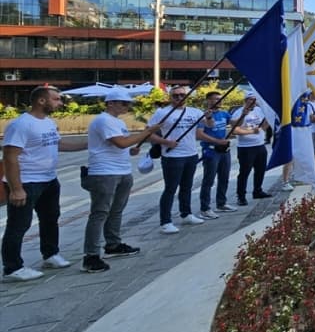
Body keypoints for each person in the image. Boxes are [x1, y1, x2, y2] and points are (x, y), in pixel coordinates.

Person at [2, 86, 86, 281]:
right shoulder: (21, 125)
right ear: (41, 101)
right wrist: (16, 189)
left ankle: (50, 254)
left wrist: (88, 144)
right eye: (56, 99)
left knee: (50, 219)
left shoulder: (48, 122)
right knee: (19, 225)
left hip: (48, 180)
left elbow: (58, 144)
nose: (60, 103)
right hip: (27, 182)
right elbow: (10, 157)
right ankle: (12, 268)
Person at [81, 88, 159, 273]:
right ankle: (91, 255)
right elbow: (121, 142)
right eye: (124, 103)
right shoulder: (103, 120)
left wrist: (130, 149)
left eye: (128, 104)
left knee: (116, 210)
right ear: (111, 103)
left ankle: (113, 244)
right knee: (100, 213)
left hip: (121, 170)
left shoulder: (116, 122)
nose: (127, 107)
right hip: (104, 172)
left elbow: (121, 145)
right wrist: (147, 132)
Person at [147, 85, 209, 233]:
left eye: (182, 95)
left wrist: (209, 116)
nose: (180, 98)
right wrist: (166, 142)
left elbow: (208, 125)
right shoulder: (162, 113)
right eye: (176, 96)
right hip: (172, 156)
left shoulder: (195, 112)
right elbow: (149, 133)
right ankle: (165, 221)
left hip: (191, 154)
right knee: (170, 189)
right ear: (170, 98)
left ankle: (186, 213)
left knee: (187, 186)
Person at [230, 91, 273, 206]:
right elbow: (235, 130)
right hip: (245, 147)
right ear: (245, 100)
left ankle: (257, 190)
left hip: (259, 145)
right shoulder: (239, 112)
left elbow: (266, 121)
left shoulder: (259, 110)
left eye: (255, 99)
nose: (253, 102)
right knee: (244, 172)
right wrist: (251, 131)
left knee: (260, 170)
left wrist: (263, 129)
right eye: (251, 99)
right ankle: (241, 196)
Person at [198, 91, 235, 219]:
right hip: (211, 150)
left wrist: (245, 113)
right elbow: (201, 133)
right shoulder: (204, 115)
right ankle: (205, 208)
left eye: (220, 99)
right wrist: (217, 141)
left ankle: (221, 203)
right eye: (215, 99)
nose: (218, 101)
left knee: (224, 177)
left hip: (224, 150)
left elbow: (236, 123)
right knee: (209, 179)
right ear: (208, 100)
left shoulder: (224, 113)